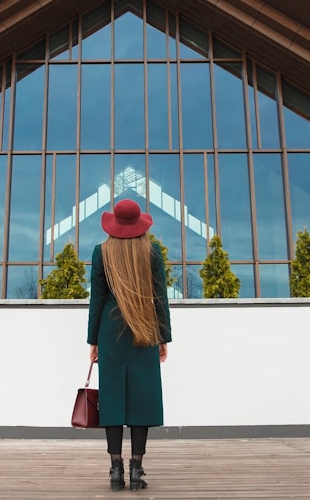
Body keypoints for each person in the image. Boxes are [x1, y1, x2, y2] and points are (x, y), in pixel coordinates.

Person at [87, 198, 172, 492]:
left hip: (110, 332)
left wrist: (94, 340)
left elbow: (96, 299)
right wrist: (163, 337)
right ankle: (136, 470)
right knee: (142, 398)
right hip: (144, 330)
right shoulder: (151, 251)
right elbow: (160, 298)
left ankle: (115, 469)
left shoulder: (101, 252)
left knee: (111, 398)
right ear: (139, 226)